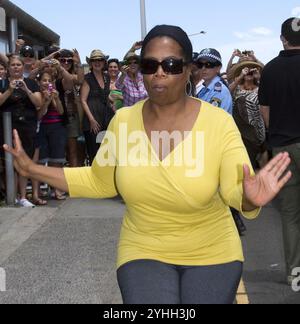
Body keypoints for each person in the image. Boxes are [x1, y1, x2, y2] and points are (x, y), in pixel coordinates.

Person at [3, 25, 292, 304]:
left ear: (189, 69)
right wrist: (31, 169)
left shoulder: (218, 123)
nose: (159, 74)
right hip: (143, 249)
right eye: (149, 65)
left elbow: (234, 189)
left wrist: (250, 199)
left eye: (171, 65)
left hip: (213, 251)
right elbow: (99, 180)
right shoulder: (124, 122)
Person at [259, 17, 300, 286]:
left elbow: (264, 111)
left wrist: (277, 133)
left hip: (284, 146)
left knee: (290, 214)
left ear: (283, 38)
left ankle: (295, 272)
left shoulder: (271, 69)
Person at [0, 55, 42, 208]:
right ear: (9, 67)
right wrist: (9, 90)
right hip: (7, 128)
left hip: (27, 127)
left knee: (24, 161)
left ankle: (23, 196)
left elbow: (39, 103)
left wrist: (26, 89)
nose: (16, 67)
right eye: (13, 65)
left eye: (19, 64)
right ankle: (12, 195)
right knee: (9, 163)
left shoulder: (31, 83)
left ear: (23, 67)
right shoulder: (3, 83)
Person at [230, 61, 266, 168]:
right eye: (246, 70)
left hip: (257, 131)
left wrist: (259, 76)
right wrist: (240, 76)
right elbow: (226, 92)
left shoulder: (260, 89)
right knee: (246, 160)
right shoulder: (237, 88)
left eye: (251, 70)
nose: (249, 72)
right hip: (240, 131)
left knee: (259, 161)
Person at [81, 50, 114, 164]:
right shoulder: (87, 78)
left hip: (106, 118)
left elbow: (105, 95)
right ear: (90, 63)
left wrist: (112, 101)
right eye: (94, 60)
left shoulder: (107, 77)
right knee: (94, 154)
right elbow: (83, 100)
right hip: (93, 121)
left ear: (104, 62)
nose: (97, 62)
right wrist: (91, 120)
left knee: (106, 153)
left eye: (100, 60)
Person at [197, 49, 233, 114]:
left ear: (218, 68)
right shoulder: (205, 89)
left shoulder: (219, 91)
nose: (203, 68)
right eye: (200, 64)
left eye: (208, 65)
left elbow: (212, 119)